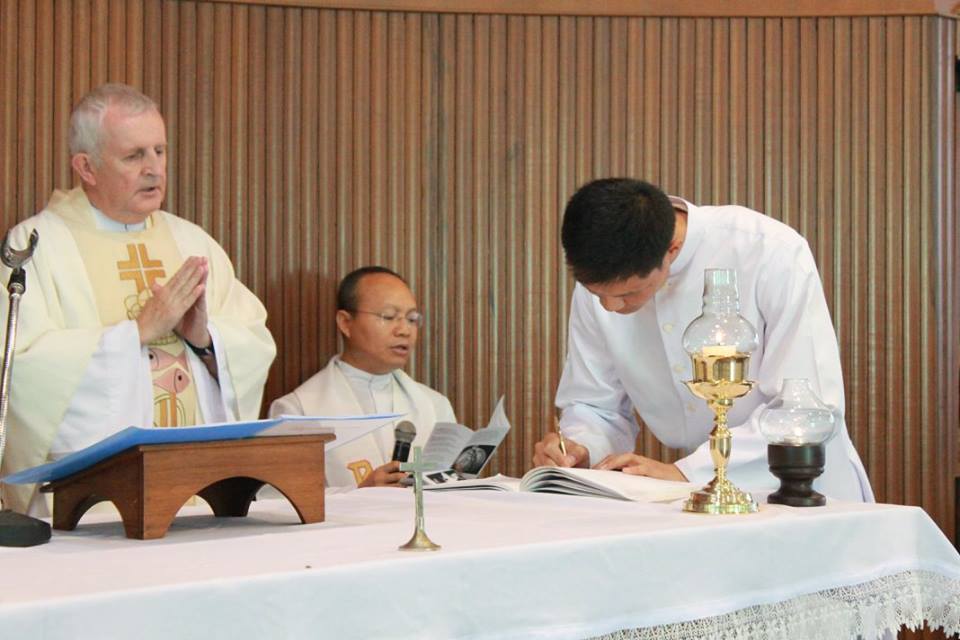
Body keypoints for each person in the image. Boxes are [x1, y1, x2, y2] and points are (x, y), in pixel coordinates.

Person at [0, 84, 276, 514]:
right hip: (91, 507)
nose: (154, 170)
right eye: (134, 156)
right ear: (86, 167)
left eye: (159, 151)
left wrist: (206, 341)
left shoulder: (191, 242)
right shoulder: (37, 246)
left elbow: (254, 344)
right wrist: (135, 333)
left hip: (197, 495)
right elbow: (20, 369)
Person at [533, 178, 873, 502]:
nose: (610, 307)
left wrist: (689, 473)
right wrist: (580, 448)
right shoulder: (603, 279)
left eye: (628, 294)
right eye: (597, 295)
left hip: (802, 490)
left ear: (671, 249)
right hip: (693, 499)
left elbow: (805, 406)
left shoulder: (769, 251)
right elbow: (596, 405)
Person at [269, 266, 455, 488]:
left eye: (412, 319)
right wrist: (359, 493)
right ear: (345, 322)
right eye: (389, 316)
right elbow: (279, 500)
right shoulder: (296, 412)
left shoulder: (435, 406)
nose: (404, 330)